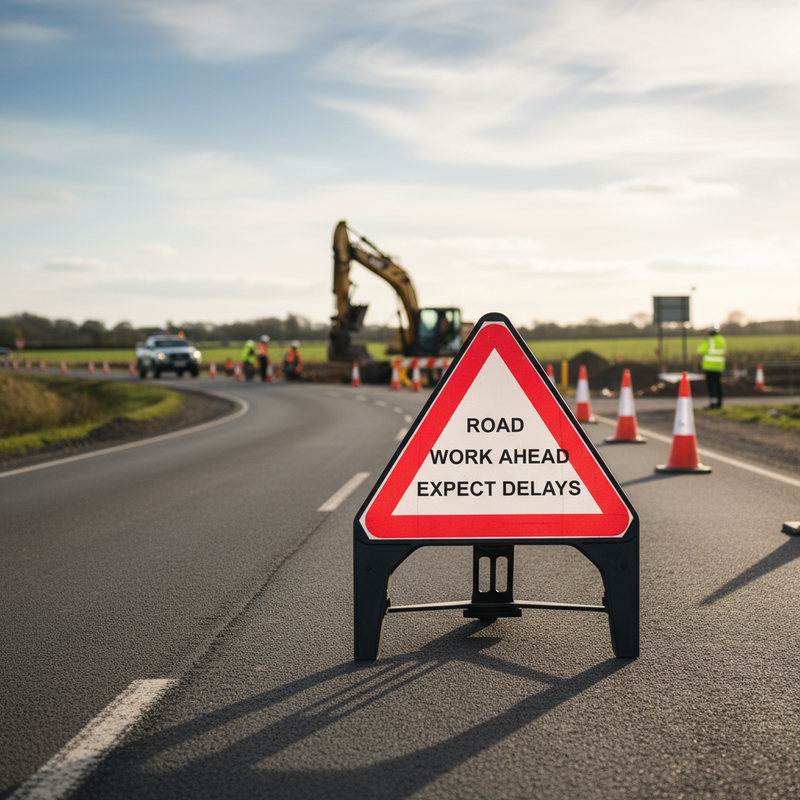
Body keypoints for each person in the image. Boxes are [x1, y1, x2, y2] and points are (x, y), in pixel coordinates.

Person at [697, 324, 726, 408]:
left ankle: (713, 403)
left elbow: (700, 350)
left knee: (710, 385)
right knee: (718, 384)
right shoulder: (721, 339)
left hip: (709, 366)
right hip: (719, 366)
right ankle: (719, 403)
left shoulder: (709, 340)